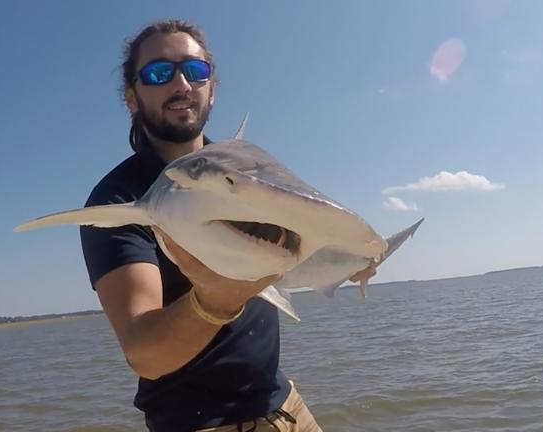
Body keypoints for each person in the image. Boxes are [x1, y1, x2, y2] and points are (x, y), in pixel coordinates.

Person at [80, 19, 373, 432]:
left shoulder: (253, 168)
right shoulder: (118, 201)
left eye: (195, 71)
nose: (181, 84)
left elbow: (301, 237)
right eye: (159, 73)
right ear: (131, 96)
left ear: (212, 87)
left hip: (288, 407)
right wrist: (213, 300)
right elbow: (144, 353)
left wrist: (348, 256)